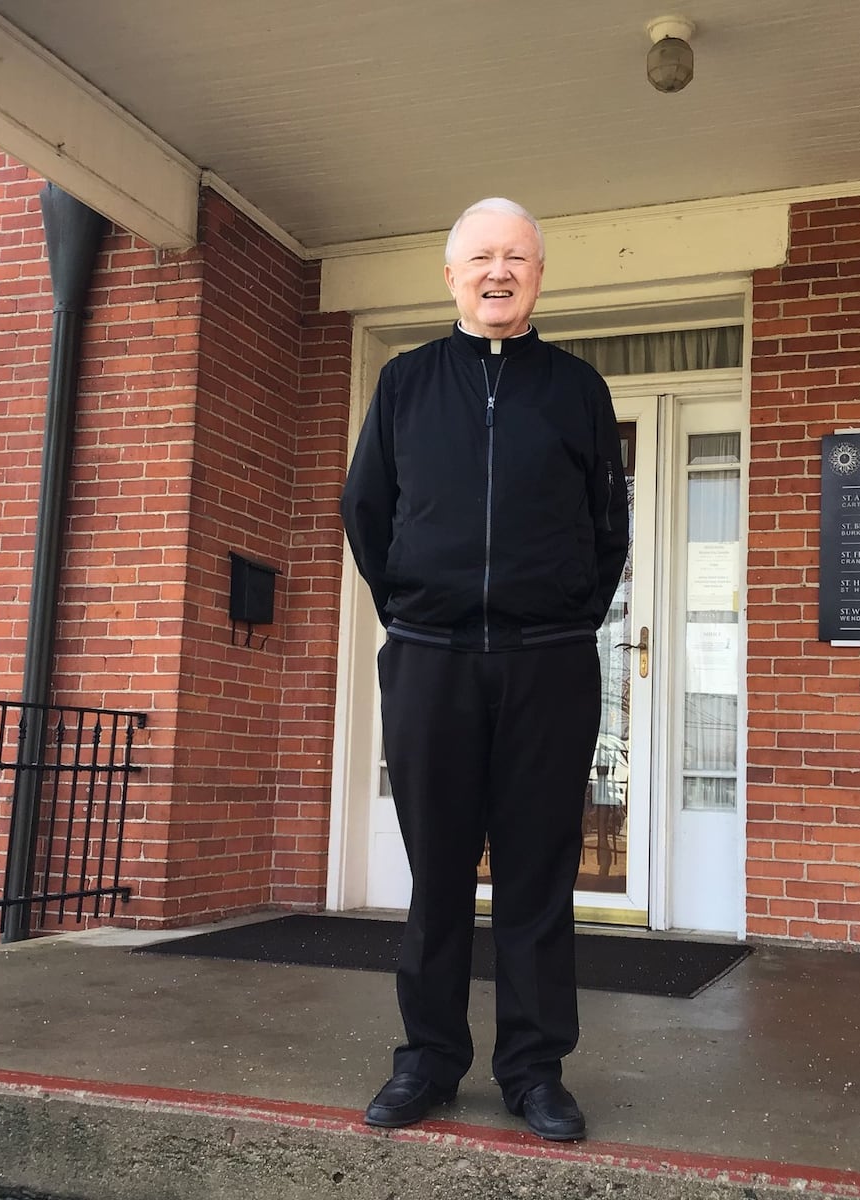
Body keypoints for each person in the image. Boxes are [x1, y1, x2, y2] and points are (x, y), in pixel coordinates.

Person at [340, 197, 629, 1142]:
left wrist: (556, 620)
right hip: (431, 665)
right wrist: (420, 614)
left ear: (540, 274)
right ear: (452, 275)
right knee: (437, 874)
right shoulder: (406, 383)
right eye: (480, 258)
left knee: (540, 876)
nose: (498, 272)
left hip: (547, 668)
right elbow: (367, 513)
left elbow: (606, 530)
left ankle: (534, 1071)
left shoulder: (578, 390)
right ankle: (426, 1061)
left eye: (516, 257)